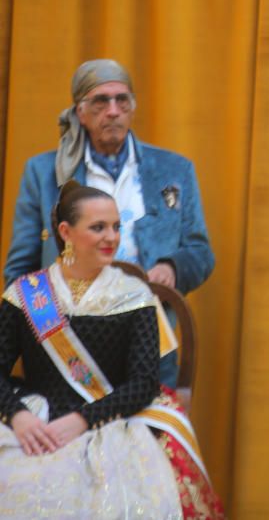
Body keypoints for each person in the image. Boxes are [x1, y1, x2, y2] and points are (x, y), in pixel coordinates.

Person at [0, 181, 223, 517]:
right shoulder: (26, 294)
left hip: (115, 421)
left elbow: (143, 383)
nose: (112, 237)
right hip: (36, 419)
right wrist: (18, 416)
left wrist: (81, 420)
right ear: (66, 232)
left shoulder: (135, 297)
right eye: (98, 227)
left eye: (117, 227)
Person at [4, 58, 214, 388]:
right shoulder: (44, 174)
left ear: (132, 107)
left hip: (149, 344)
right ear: (80, 112)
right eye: (101, 101)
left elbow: (200, 252)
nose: (113, 110)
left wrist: (172, 267)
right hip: (66, 349)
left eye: (122, 100)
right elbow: (19, 272)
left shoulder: (174, 170)